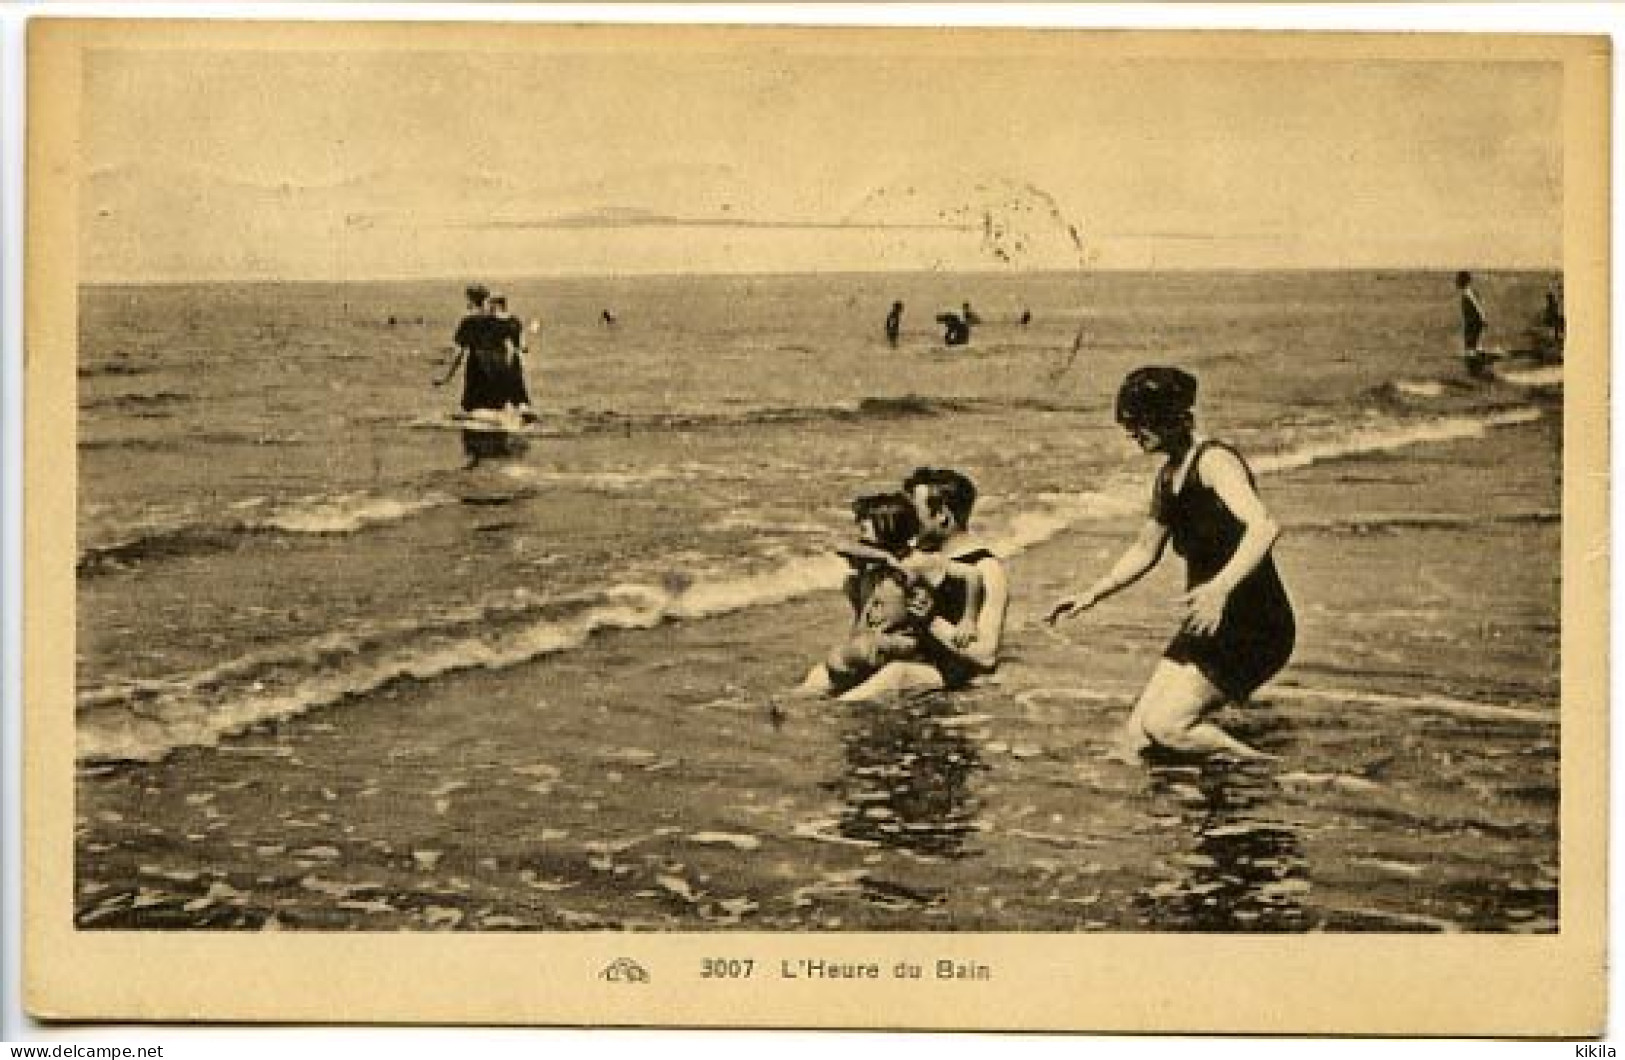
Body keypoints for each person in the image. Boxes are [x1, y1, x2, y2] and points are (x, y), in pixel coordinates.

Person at [1047, 366, 1294, 761]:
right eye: (1128, 424)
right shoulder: (1167, 478)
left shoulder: (1214, 463)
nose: (1132, 433)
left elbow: (1264, 526)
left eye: (1140, 422)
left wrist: (1219, 588)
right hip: (1207, 623)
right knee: (1135, 740)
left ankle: (1267, 770)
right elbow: (1145, 550)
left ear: (1170, 417)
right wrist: (1091, 593)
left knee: (1166, 726)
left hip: (1256, 626)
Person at [809, 468, 1007, 701]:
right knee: (822, 673)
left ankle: (832, 711)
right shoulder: (913, 554)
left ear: (942, 515)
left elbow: (986, 655)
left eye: (913, 510)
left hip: (944, 670)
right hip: (904, 654)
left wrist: (930, 621)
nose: (905, 517)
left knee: (893, 676)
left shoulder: (985, 568)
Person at [487, 293, 537, 419]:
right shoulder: (514, 320)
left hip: (500, 359)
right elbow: (522, 344)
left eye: (491, 304)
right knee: (516, 385)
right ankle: (522, 410)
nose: (489, 307)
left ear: (498, 305)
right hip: (513, 358)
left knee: (502, 385)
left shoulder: (492, 322)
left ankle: (506, 414)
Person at [1456, 271, 1490, 378]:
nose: (1456, 282)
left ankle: (1476, 370)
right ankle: (1476, 369)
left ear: (1463, 281)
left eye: (1458, 280)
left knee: (1471, 347)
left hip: (1473, 323)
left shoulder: (1468, 293)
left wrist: (1483, 318)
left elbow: (1477, 306)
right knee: (1472, 346)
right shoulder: (1469, 292)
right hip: (1472, 323)